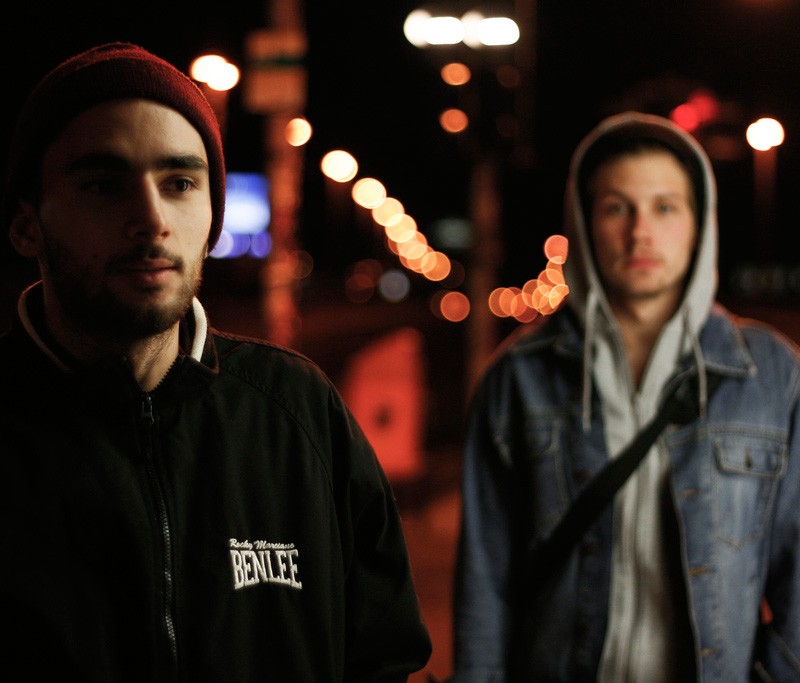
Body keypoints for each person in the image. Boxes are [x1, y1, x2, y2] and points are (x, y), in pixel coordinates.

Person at [0, 42, 431, 681]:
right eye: (103, 186)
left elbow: (385, 657)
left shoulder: (299, 413)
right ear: (27, 224)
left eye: (179, 184)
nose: (151, 220)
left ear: (211, 216)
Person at [450, 111, 800, 681]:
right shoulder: (517, 378)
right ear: (584, 222)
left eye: (666, 207)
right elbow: (484, 586)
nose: (640, 232)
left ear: (700, 223)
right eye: (617, 207)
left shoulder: (770, 375)